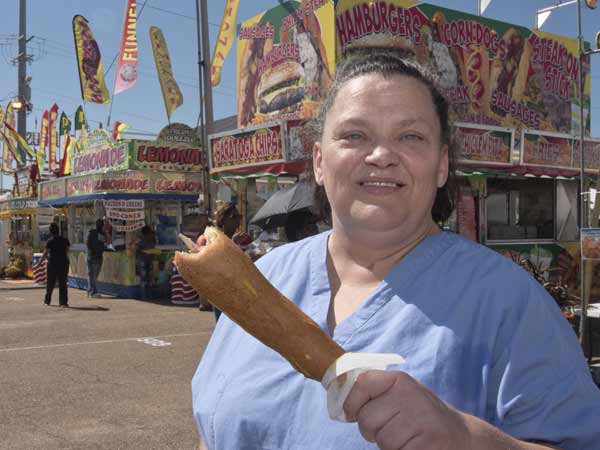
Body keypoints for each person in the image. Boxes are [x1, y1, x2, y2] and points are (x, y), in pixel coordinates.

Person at [191, 50, 600, 449]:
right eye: (354, 135)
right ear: (319, 161)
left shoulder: (508, 303)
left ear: (441, 165)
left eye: (410, 136)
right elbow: (211, 425)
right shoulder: (261, 279)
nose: (381, 155)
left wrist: (467, 439)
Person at [210, 202, 241, 321]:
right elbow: (218, 261)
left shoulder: (239, 238)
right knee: (223, 326)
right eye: (233, 217)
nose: (237, 220)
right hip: (221, 291)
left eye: (239, 217)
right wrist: (233, 243)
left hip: (237, 290)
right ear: (222, 220)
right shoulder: (216, 238)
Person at [41, 222, 70, 308]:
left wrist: (39, 263)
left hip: (52, 263)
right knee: (63, 283)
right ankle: (63, 303)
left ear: (50, 231)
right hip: (63, 262)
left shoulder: (50, 241)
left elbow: (45, 253)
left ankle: (47, 301)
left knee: (50, 283)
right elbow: (67, 250)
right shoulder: (65, 240)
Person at [136, 225, 157, 300]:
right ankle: (144, 295)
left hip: (149, 261)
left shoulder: (152, 241)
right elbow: (137, 251)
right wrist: (144, 252)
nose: (151, 235)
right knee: (143, 279)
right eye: (150, 233)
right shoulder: (140, 242)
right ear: (146, 234)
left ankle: (149, 294)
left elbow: (154, 249)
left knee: (149, 279)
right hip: (142, 261)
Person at [86, 219, 105, 298]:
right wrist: (92, 250)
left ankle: (91, 290)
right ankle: (93, 292)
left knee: (94, 275)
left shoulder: (102, 234)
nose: (100, 226)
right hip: (93, 256)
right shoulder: (92, 232)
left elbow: (102, 244)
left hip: (98, 256)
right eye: (99, 224)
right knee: (92, 275)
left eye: (101, 224)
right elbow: (87, 243)